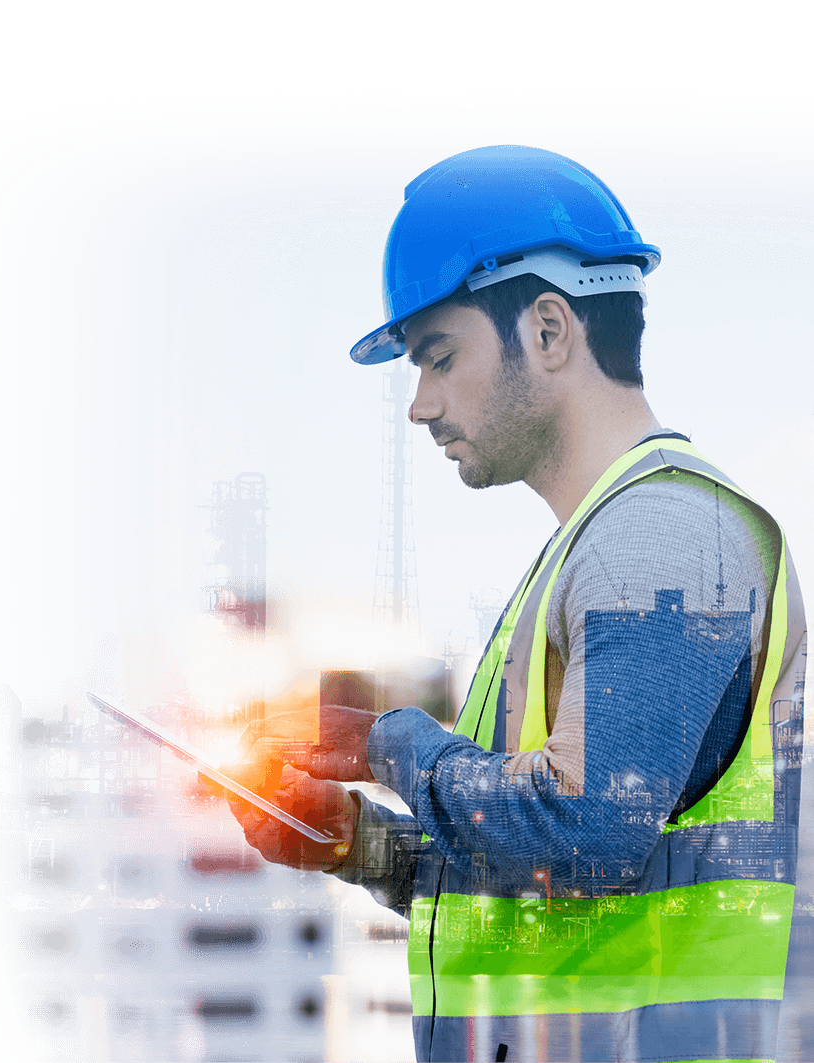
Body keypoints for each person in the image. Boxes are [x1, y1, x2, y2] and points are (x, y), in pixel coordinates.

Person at [218, 146, 807, 1063]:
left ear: (548, 329)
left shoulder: (663, 538)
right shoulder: (589, 552)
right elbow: (544, 885)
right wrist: (356, 845)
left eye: (439, 357)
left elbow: (585, 831)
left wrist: (389, 742)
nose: (421, 404)